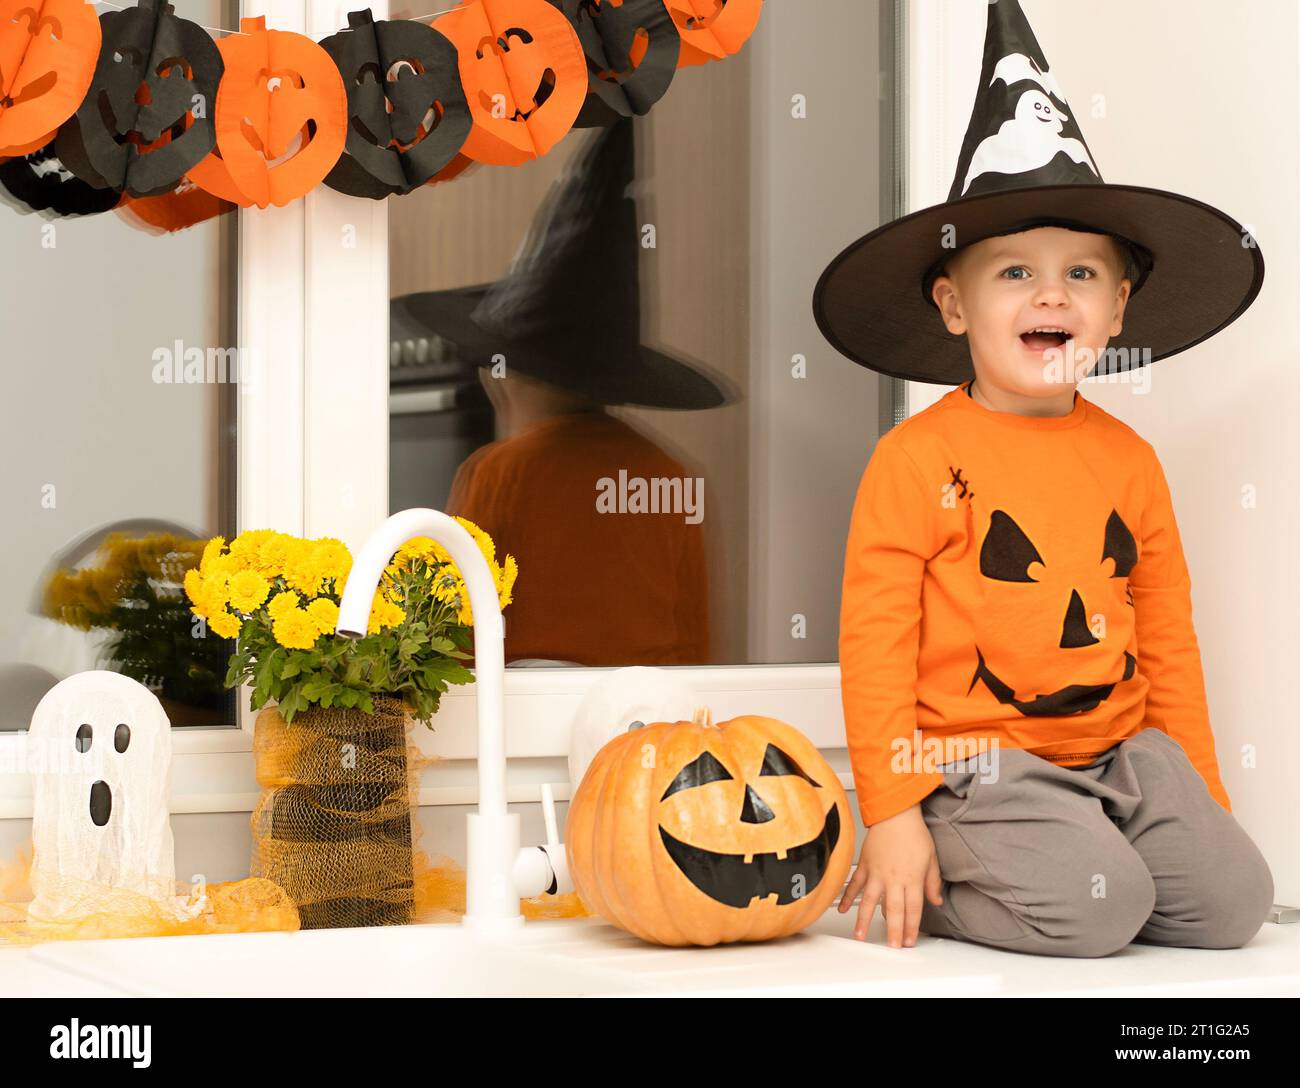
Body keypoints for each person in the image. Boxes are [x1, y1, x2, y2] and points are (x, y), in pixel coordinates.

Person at [811, 0, 1272, 956]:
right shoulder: (916, 460)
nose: (1052, 293)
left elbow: (1168, 641)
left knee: (1233, 903)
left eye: (1082, 275)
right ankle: (931, 871)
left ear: (1116, 311)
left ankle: (1083, 857)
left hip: (1124, 760)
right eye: (1014, 272)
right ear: (953, 305)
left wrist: (1201, 799)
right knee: (1100, 913)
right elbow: (877, 644)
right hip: (979, 761)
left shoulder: (1130, 461)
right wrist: (890, 807)